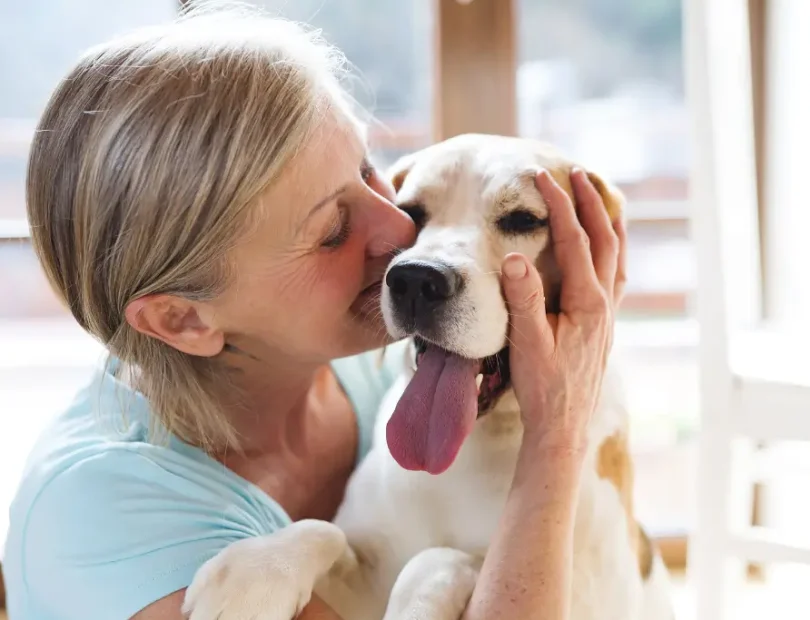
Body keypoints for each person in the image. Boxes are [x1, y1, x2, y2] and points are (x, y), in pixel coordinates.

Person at [2, 6, 626, 620]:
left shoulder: (377, 372)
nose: (401, 234)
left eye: (368, 173)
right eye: (332, 229)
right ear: (185, 321)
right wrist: (556, 436)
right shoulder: (108, 526)